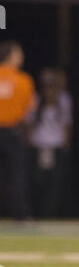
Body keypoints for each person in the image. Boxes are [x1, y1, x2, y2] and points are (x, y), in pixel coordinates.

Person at [27, 67, 73, 217]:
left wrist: (66, 144)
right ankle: (36, 212)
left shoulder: (63, 99)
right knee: (37, 181)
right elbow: (30, 123)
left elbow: (67, 124)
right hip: (38, 146)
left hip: (56, 146)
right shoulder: (36, 99)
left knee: (55, 184)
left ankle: (50, 214)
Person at [0, 40, 35, 220]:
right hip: (13, 132)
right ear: (11, 55)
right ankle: (19, 215)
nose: (21, 56)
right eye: (18, 53)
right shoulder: (23, 80)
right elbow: (28, 112)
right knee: (16, 175)